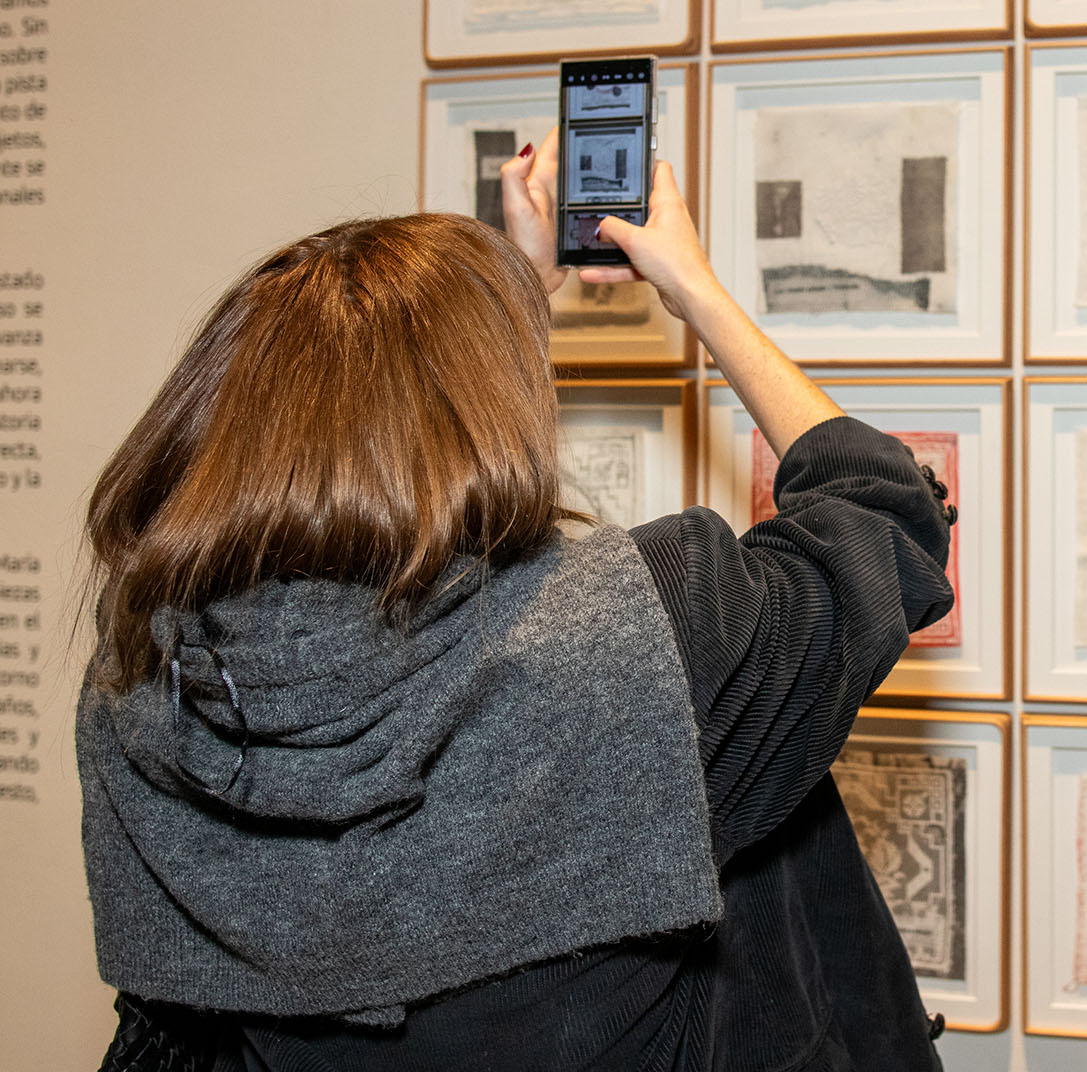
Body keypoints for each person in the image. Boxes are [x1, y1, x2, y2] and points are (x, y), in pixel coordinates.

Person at [77, 131, 955, 1071]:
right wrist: (692, 288)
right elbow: (883, 511)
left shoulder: (147, 690)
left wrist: (504, 310)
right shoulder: (641, 641)